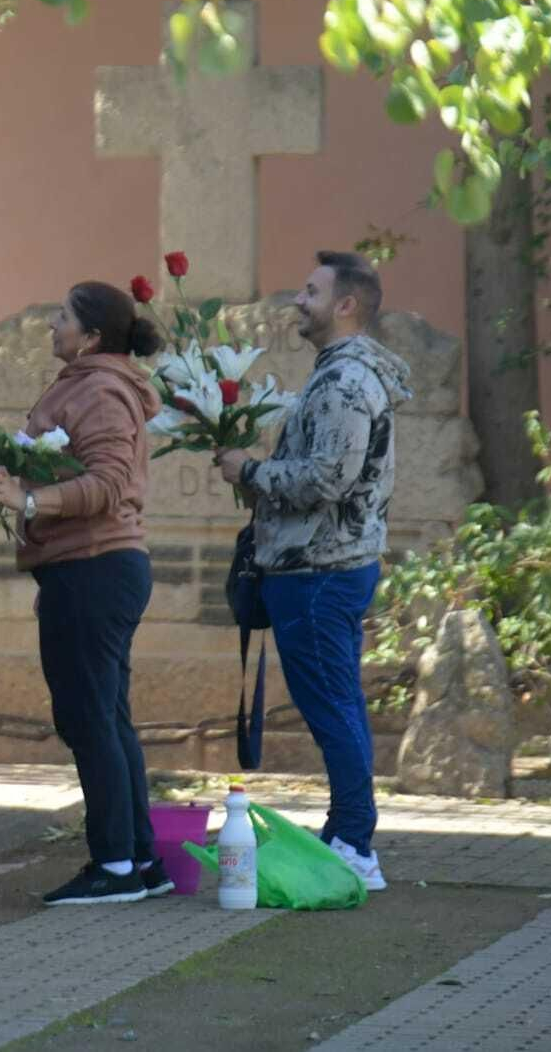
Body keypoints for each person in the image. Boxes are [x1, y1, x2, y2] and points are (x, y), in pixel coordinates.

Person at [215, 251, 408, 892]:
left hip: (320, 571)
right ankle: (348, 834)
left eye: (311, 291)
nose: (298, 300)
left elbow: (327, 479)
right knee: (338, 703)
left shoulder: (347, 382)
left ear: (346, 304)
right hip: (316, 566)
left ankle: (354, 842)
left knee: (331, 707)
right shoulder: (335, 376)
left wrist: (250, 471)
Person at [0, 280, 167, 906]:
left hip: (96, 568)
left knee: (90, 718)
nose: (51, 325)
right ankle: (141, 860)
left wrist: (33, 499)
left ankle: (114, 866)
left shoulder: (101, 389)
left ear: (91, 336)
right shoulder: (91, 384)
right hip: (87, 568)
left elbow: (111, 482)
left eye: (61, 317)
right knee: (106, 717)